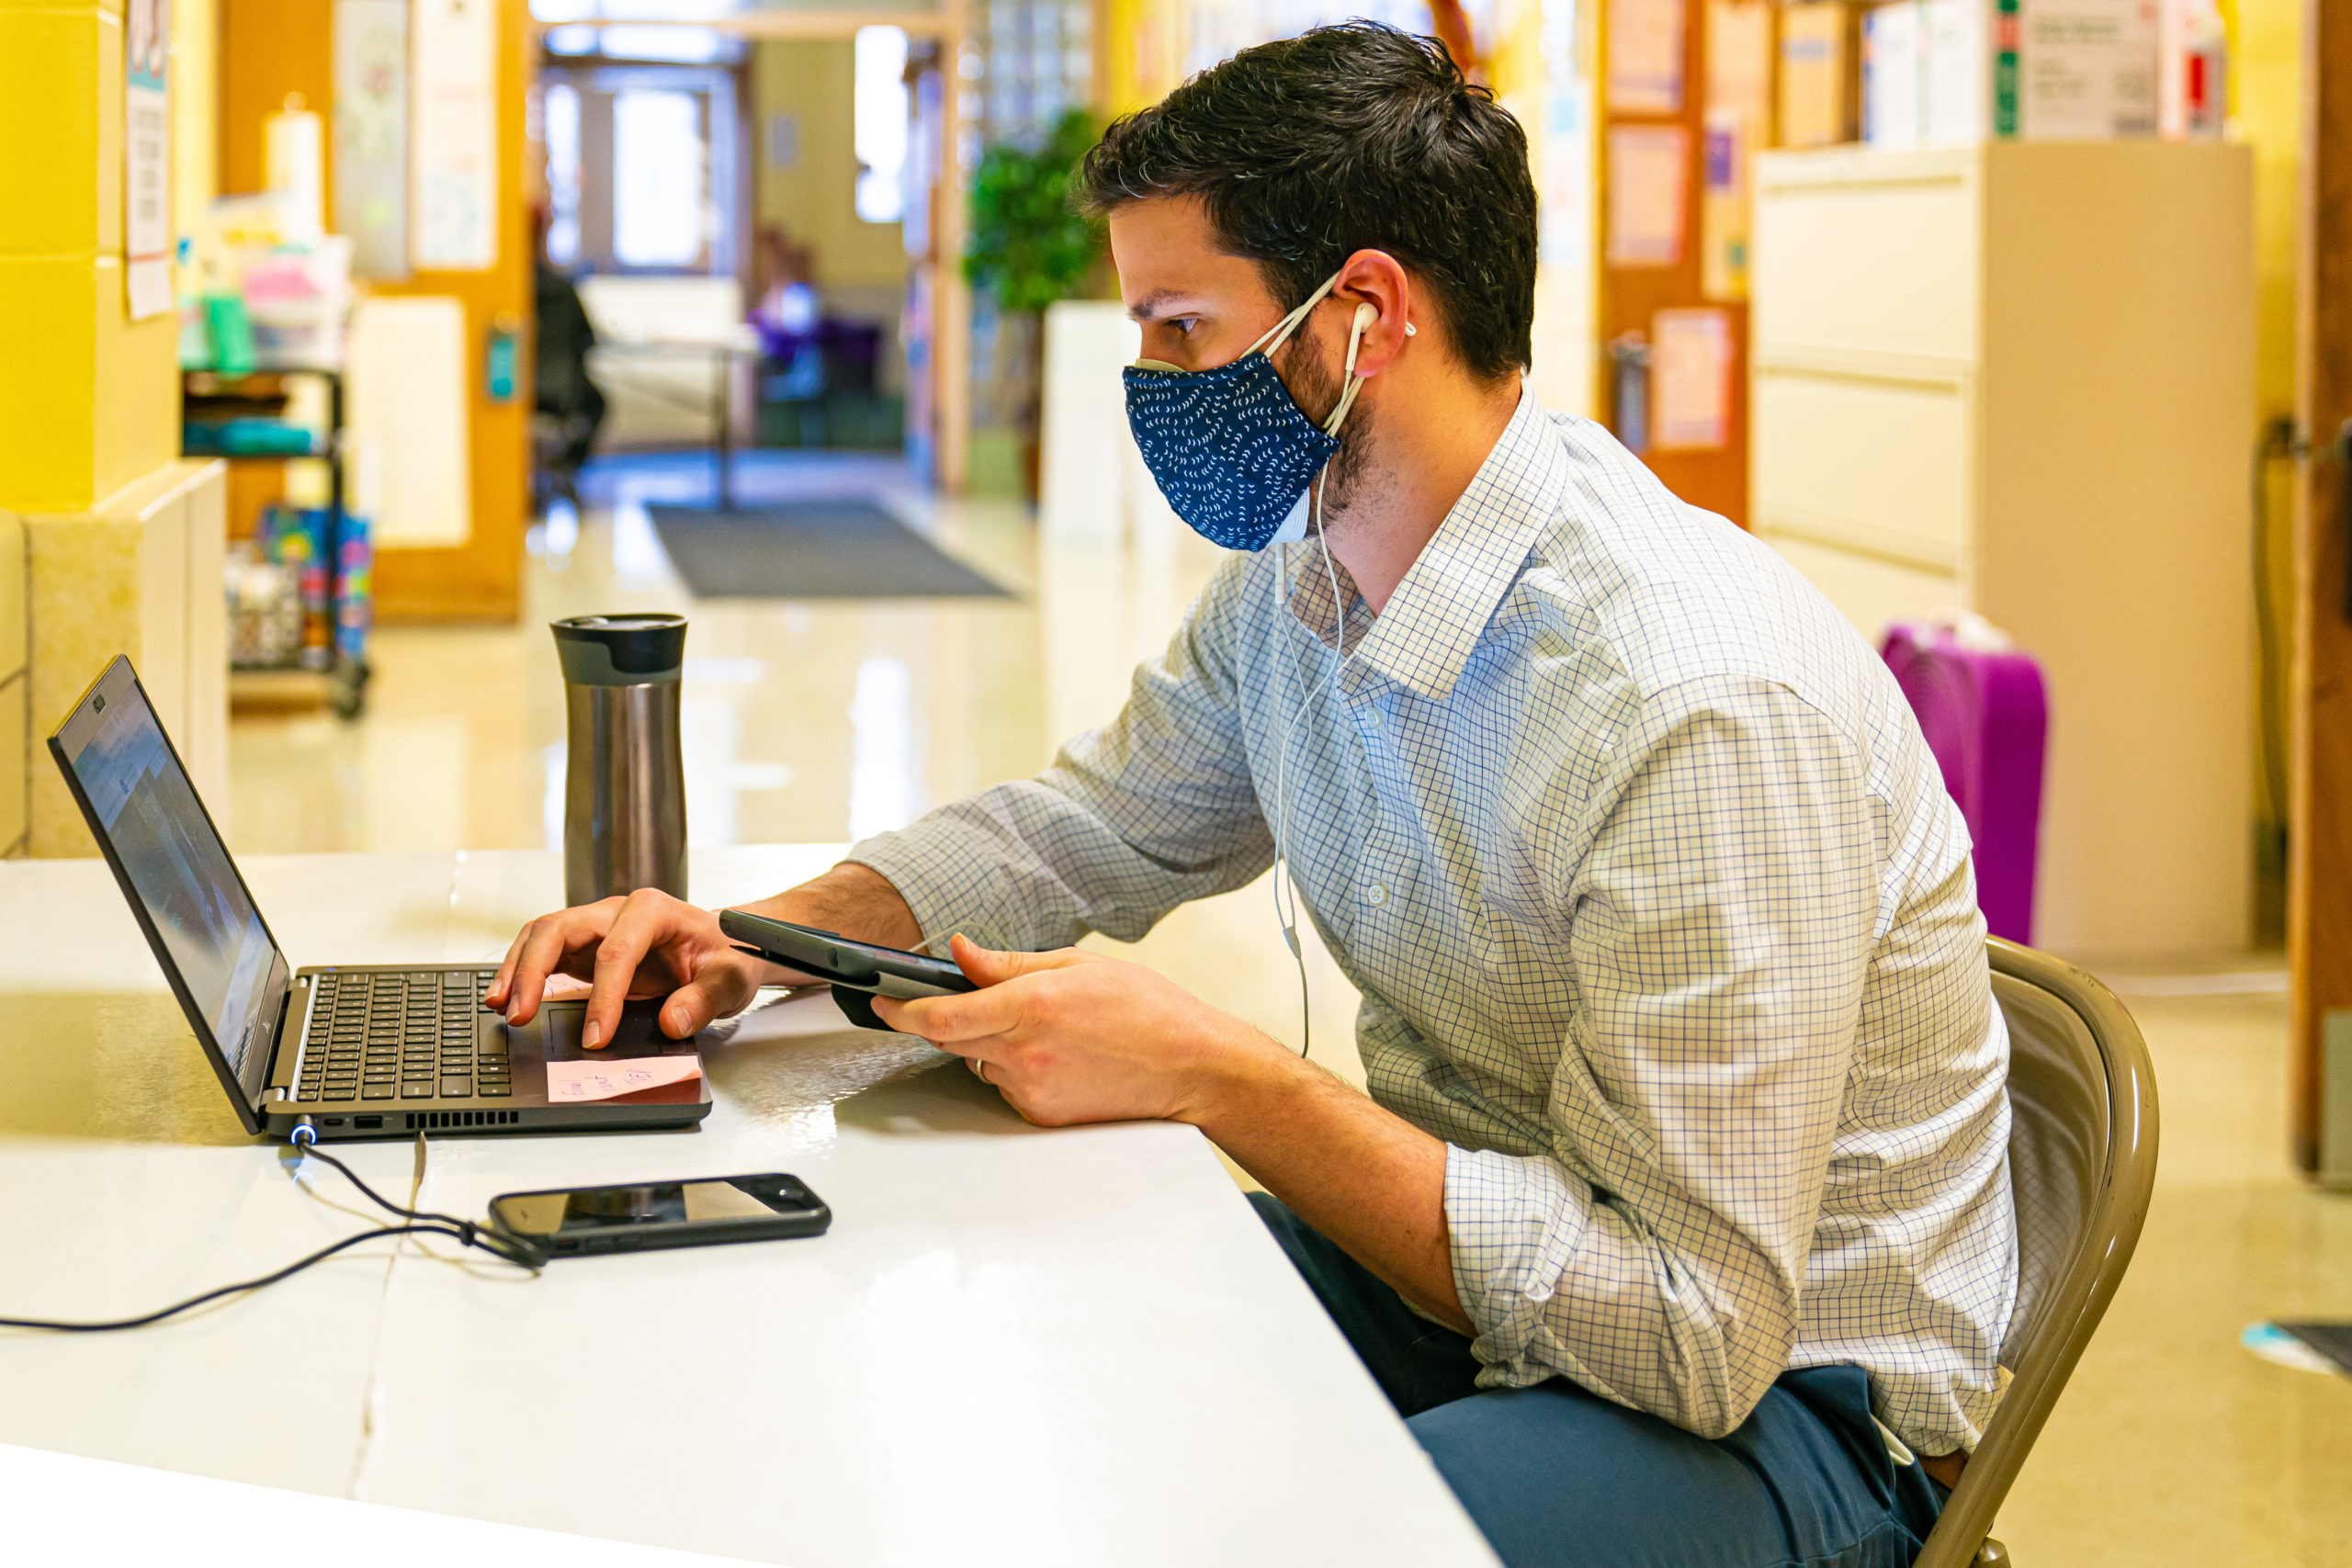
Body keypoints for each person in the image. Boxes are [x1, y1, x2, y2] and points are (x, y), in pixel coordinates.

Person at [490, 24, 2014, 1568]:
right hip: (1473, 1283)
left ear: (1363, 315)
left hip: (1778, 1413)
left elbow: (1689, 1336)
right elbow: (1084, 826)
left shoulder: (1693, 708)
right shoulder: (1305, 583)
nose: (1150, 382)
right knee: (1020, 1316)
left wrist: (1217, 1076)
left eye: (1177, 328)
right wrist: (761, 940)